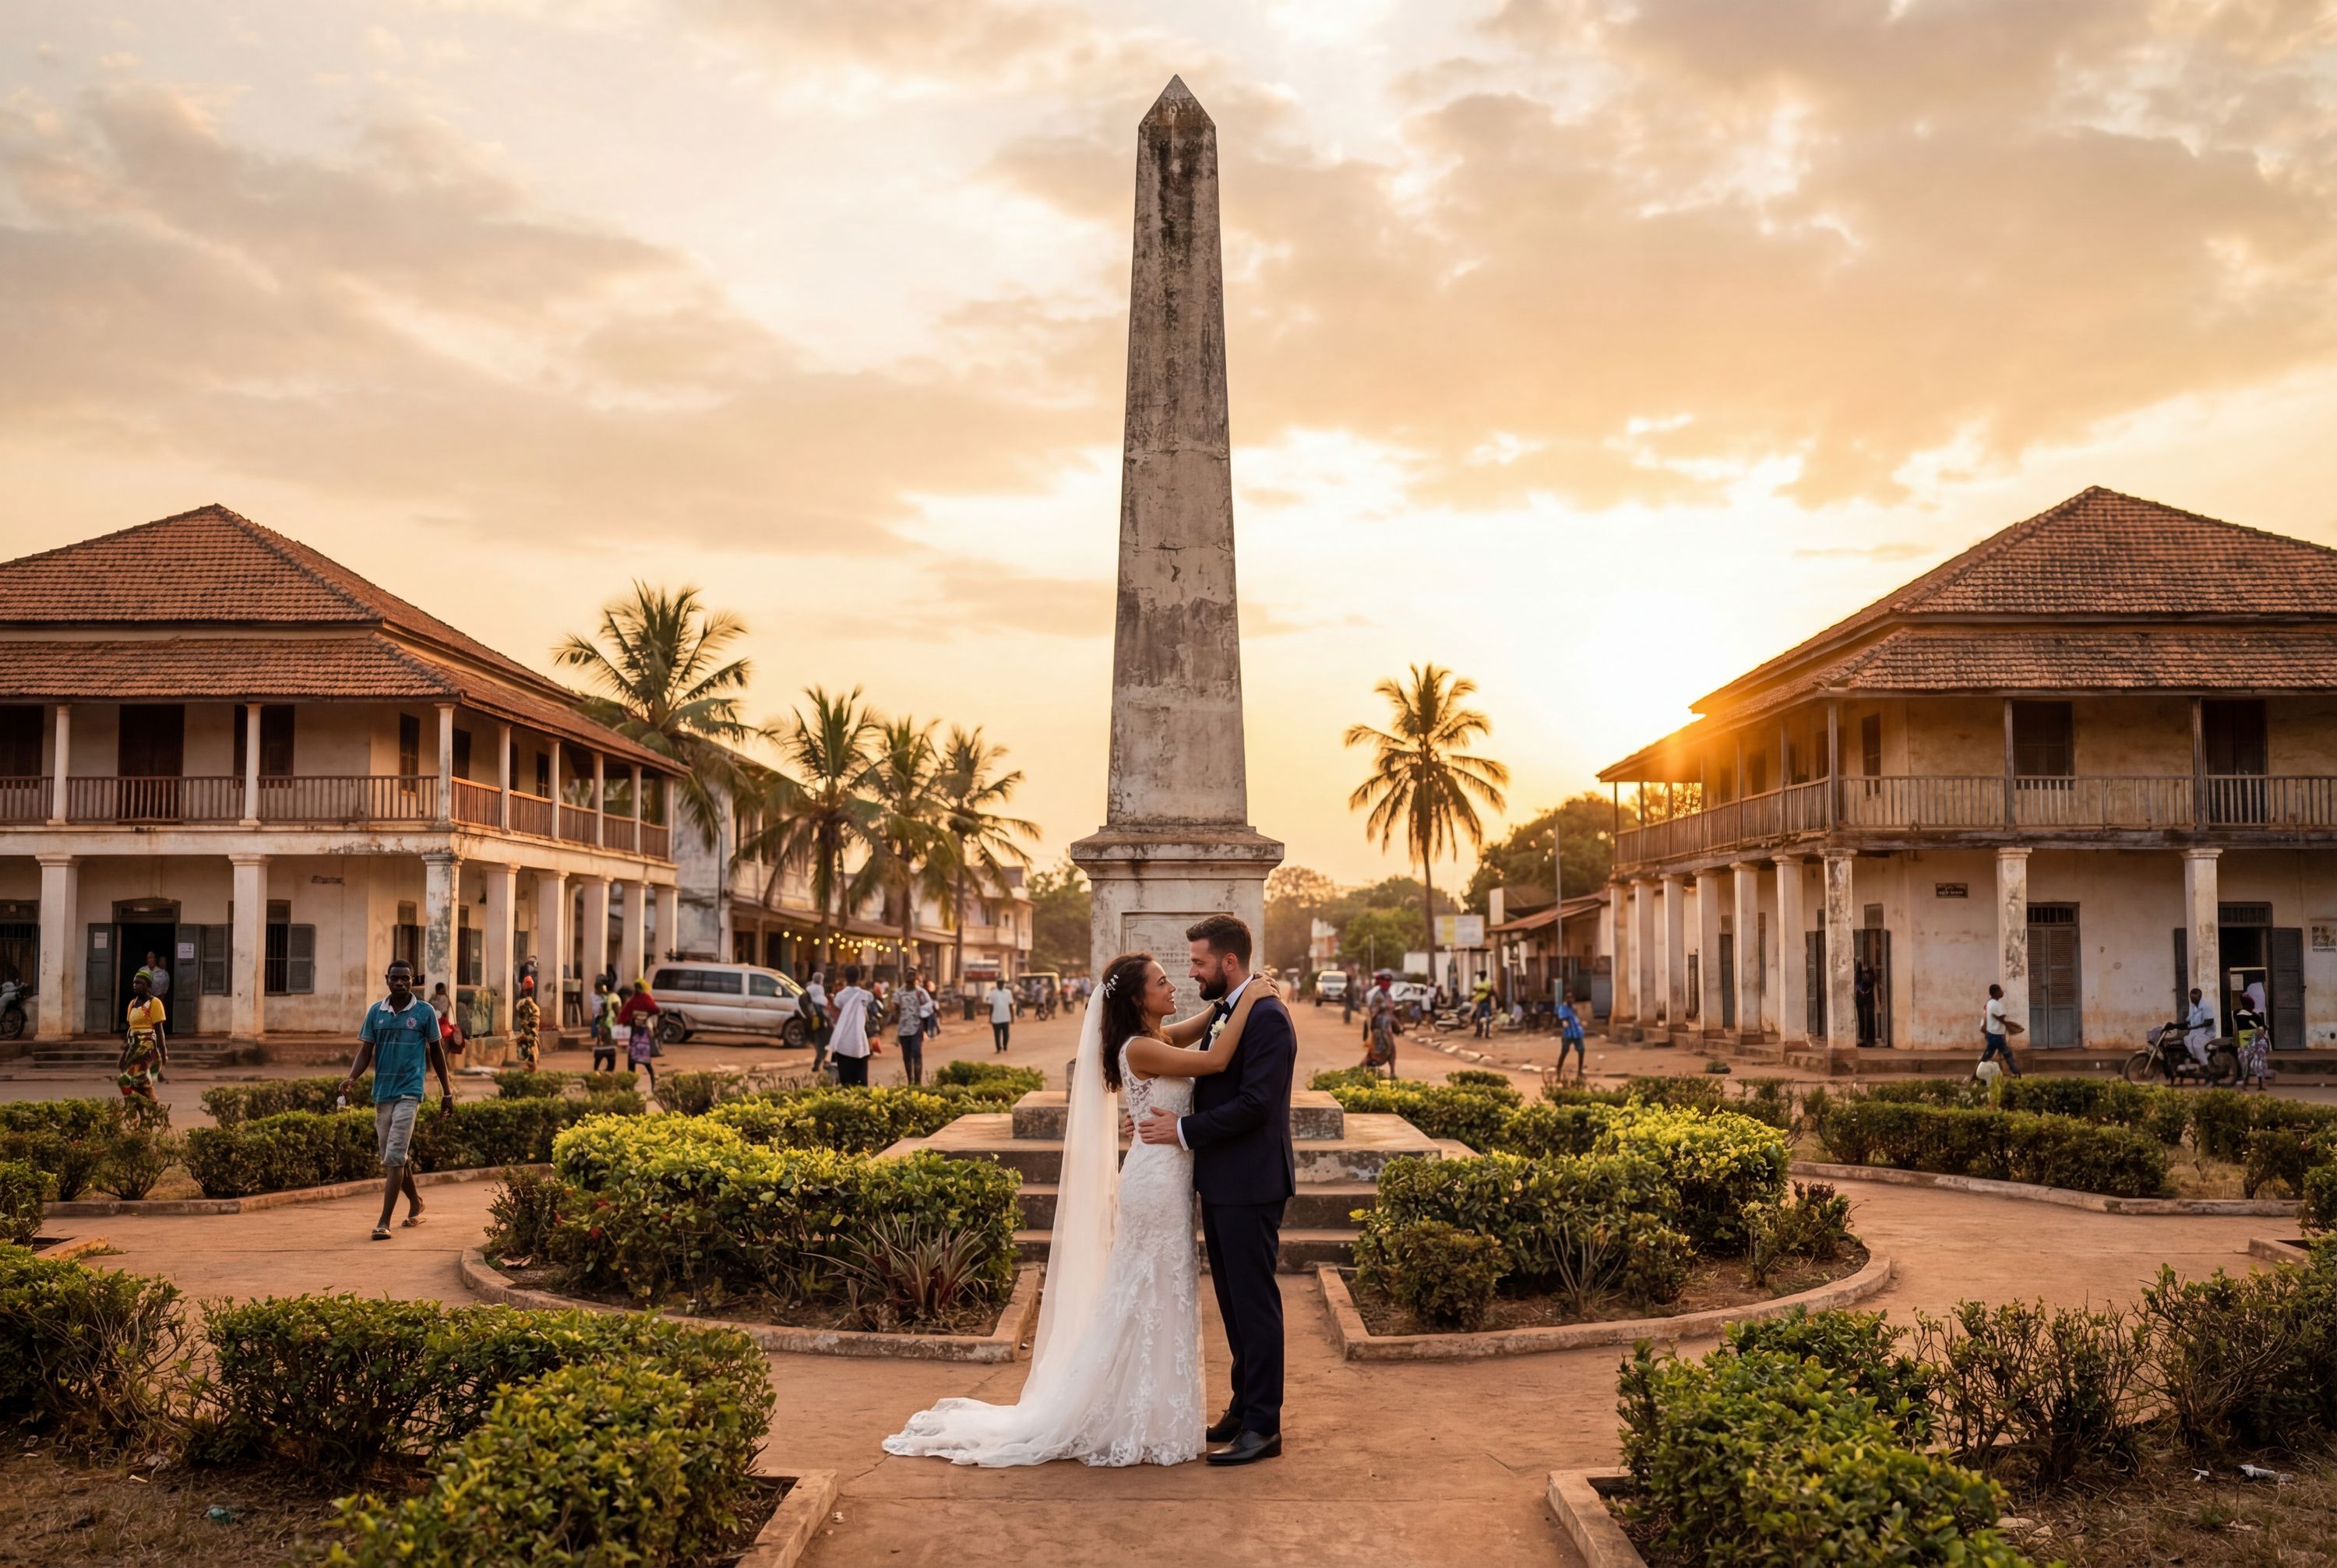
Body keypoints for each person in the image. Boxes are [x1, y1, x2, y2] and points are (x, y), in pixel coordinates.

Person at [886, 918, 1292, 1469]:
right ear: (1138, 999)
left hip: (1219, 1177)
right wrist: (1247, 997)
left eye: (1192, 966)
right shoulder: (1146, 1045)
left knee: (1235, 1301)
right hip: (1166, 1179)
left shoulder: (1201, 1027)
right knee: (1178, 1294)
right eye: (1165, 979)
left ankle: (1257, 1419)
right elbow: (1215, 1061)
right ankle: (1236, 1408)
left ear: (1226, 963)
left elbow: (1234, 1069)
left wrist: (1250, 997)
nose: (1180, 979)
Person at [343, 959, 454, 1242]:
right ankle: (416, 1202)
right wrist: (352, 1077)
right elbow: (366, 1051)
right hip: (383, 1093)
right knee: (394, 1156)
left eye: (406, 978)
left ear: (413, 980)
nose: (401, 983)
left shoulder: (425, 1012)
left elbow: (437, 1054)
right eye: (396, 978)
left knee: (394, 1156)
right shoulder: (375, 1012)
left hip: (410, 1092)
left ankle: (384, 1221)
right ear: (387, 979)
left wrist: (447, 1092)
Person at [118, 968, 168, 1108]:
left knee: (138, 1080)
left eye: (139, 983)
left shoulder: (154, 1003)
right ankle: (137, 1107)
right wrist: (125, 1053)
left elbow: (159, 1031)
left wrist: (163, 1052)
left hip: (147, 1049)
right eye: (134, 983)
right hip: (134, 1049)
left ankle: (152, 1106)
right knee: (125, 1081)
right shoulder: (132, 1004)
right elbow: (130, 1030)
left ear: (148, 985)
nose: (135, 985)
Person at [827, 964, 876, 1087]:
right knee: (861, 1081)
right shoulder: (866, 995)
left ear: (845, 977)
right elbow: (866, 1006)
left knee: (846, 1082)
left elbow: (836, 1014)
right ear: (859, 977)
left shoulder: (840, 997)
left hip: (843, 1042)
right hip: (860, 1042)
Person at [618, 979, 661, 1092]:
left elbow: (624, 1017)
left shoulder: (634, 1001)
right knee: (643, 1062)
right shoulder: (644, 999)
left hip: (637, 1035)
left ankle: (632, 1087)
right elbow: (656, 1010)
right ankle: (650, 1085)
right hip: (642, 1035)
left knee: (634, 1062)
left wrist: (633, 1019)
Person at [895, 971, 934, 1086]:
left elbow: (929, 1004)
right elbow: (896, 1008)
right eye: (907, 974)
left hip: (917, 1028)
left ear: (916, 977)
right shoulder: (899, 993)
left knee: (916, 1052)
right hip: (903, 1029)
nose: (909, 976)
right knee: (906, 1057)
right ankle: (910, 1081)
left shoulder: (921, 992)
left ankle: (918, 1081)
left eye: (912, 974)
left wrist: (921, 1011)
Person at [1979, 983, 2022, 1078]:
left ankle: (2016, 1073)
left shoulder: (1990, 1002)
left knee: (2005, 1054)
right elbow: (2001, 1019)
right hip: (1995, 1035)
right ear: (1996, 992)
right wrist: (2014, 1026)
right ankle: (1976, 1076)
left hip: (1995, 1034)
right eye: (2001, 990)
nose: (2002, 992)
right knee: (1988, 1056)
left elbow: (1998, 1019)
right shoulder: (1996, 1004)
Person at [2234, 991, 2272, 1089]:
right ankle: (2260, 1086)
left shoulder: (2237, 1016)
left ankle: (2244, 1085)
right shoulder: (2256, 1016)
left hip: (2244, 1044)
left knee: (2246, 1064)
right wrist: (2265, 1028)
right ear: (2250, 1006)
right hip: (2257, 1043)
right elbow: (2261, 1030)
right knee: (2259, 1063)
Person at [1362, 978, 1398, 1078]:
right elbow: (1373, 1011)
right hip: (1380, 1029)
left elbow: (1390, 1011)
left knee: (1392, 1049)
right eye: (1387, 981)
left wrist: (1397, 1024)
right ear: (1382, 982)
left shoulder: (1387, 994)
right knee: (1375, 1053)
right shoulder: (1378, 995)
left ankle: (1392, 1072)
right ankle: (1360, 1069)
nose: (1389, 984)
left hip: (1387, 1027)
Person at [1553, 991, 1587, 1083]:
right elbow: (1563, 1019)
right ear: (1566, 999)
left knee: (1582, 1050)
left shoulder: (1574, 1009)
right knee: (1564, 1051)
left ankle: (1580, 1071)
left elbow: (1577, 1018)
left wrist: (1581, 1024)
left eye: (1571, 998)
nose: (1570, 1000)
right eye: (1568, 998)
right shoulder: (1563, 1008)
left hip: (1577, 1032)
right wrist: (1564, 1022)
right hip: (1568, 1033)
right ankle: (1558, 1071)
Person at [511, 974, 541, 1072]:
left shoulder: (523, 1003)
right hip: (533, 1031)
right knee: (532, 1049)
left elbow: (523, 1018)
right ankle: (531, 1068)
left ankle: (531, 1068)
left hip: (528, 1030)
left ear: (524, 990)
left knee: (528, 1050)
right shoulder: (533, 1004)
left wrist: (525, 1028)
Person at [2184, 986, 2218, 1069]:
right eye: (2191, 997)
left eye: (2193, 998)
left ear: (2199, 997)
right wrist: (2176, 1025)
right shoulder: (2192, 1006)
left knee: (2197, 1042)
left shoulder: (2206, 1006)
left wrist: (2194, 1027)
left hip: (2207, 1033)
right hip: (2197, 1031)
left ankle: (2204, 1065)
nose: (2191, 1000)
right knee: (2187, 1039)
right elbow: (2189, 1019)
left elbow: (2209, 1022)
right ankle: (2198, 1057)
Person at [804, 968, 831, 1075]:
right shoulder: (819, 991)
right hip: (821, 1022)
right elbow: (824, 1006)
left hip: (811, 1023)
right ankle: (819, 1064)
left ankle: (820, 1063)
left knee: (820, 1044)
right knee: (823, 1044)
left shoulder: (808, 989)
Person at [591, 979, 619, 1073]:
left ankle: (599, 1070)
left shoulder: (606, 998)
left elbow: (614, 1010)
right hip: (606, 1026)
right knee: (608, 1048)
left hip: (606, 1026)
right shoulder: (605, 998)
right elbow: (616, 1010)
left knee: (604, 1048)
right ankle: (608, 1070)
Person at [1854, 963, 1878, 1048]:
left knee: (1869, 1020)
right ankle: (1863, 1039)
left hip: (1868, 1001)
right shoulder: (1858, 975)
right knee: (1862, 1021)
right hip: (1861, 1001)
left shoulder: (1869, 977)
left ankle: (1870, 1040)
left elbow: (1869, 982)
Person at [989, 977, 1015, 1053]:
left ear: (1003, 984)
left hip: (1006, 1017)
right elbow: (991, 1006)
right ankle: (998, 1048)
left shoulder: (1008, 992)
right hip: (996, 1017)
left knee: (1006, 1034)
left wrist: (1012, 1017)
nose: (1000, 985)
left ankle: (1005, 1045)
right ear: (997, 984)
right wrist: (990, 1018)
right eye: (999, 983)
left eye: (1001, 983)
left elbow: (1010, 1005)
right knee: (997, 1034)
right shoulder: (993, 993)